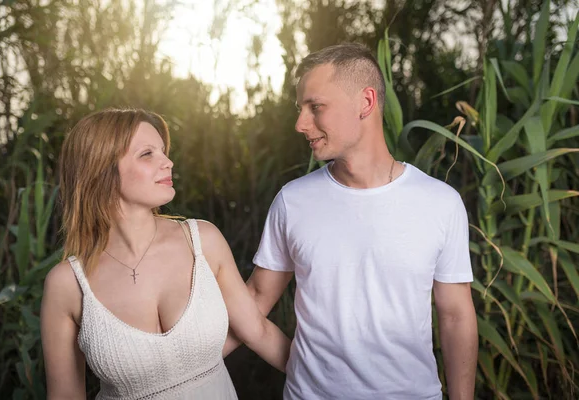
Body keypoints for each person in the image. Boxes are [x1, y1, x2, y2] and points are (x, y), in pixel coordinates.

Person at [224, 43, 478, 400]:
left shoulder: (441, 203)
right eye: (300, 110)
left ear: (366, 103)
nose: (300, 124)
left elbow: (455, 315)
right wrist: (175, 369)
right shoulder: (293, 201)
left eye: (316, 108)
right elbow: (255, 300)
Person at [40, 108, 291, 399]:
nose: (168, 162)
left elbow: (257, 330)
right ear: (101, 169)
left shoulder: (203, 241)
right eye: (148, 154)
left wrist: (327, 384)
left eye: (163, 151)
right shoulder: (66, 284)